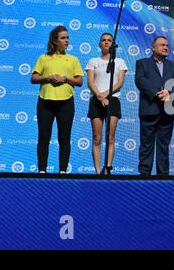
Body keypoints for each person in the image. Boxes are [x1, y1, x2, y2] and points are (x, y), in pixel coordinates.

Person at [31, 25, 83, 174]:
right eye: (63, 38)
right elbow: (33, 78)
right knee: (43, 137)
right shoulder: (43, 58)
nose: (66, 40)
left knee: (64, 138)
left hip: (66, 103)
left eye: (67, 37)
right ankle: (42, 170)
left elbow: (79, 81)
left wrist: (66, 78)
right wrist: (48, 77)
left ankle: (63, 171)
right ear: (55, 40)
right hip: (45, 102)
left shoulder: (73, 59)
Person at [135, 36, 174, 175]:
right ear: (153, 48)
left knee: (164, 146)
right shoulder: (142, 63)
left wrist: (168, 91)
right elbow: (140, 80)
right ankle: (144, 175)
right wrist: (156, 93)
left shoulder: (173, 65)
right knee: (146, 145)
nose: (166, 47)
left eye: (167, 45)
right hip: (150, 108)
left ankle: (163, 176)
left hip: (167, 110)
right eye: (162, 45)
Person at [85, 33, 128, 174]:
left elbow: (120, 82)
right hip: (96, 100)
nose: (106, 42)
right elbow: (90, 82)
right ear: (99, 44)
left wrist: (105, 94)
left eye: (109, 40)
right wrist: (100, 96)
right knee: (97, 137)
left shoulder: (120, 62)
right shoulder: (93, 61)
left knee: (110, 136)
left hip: (113, 99)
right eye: (103, 40)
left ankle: (108, 168)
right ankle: (98, 171)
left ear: (113, 44)